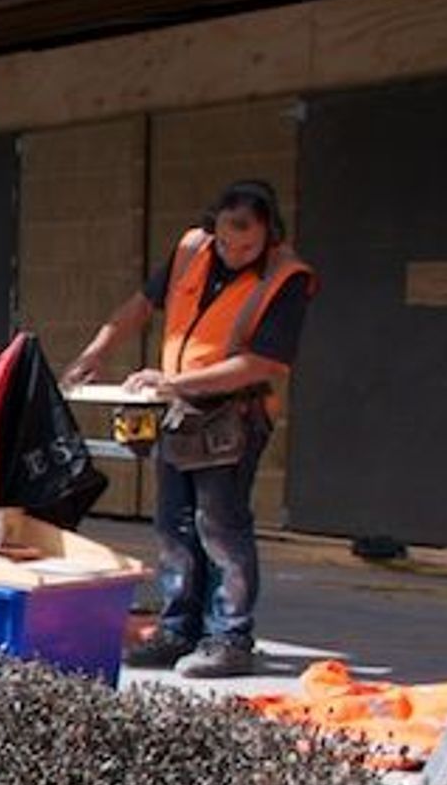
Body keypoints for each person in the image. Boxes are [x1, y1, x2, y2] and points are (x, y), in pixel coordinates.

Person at [65, 179, 314, 680]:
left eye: (248, 246)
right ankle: (178, 627)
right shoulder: (191, 251)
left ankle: (229, 637)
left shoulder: (288, 278)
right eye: (226, 242)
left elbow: (261, 364)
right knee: (174, 524)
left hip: (234, 415)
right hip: (180, 411)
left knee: (219, 526)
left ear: (271, 234)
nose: (235, 253)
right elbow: (140, 306)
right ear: (212, 228)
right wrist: (96, 352)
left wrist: (173, 380)